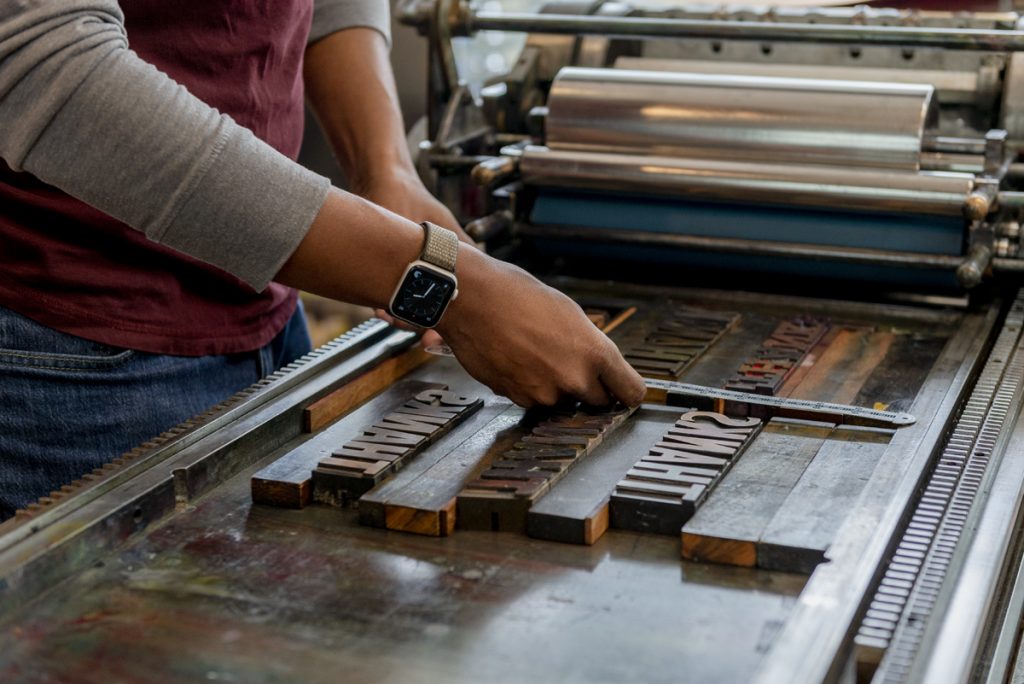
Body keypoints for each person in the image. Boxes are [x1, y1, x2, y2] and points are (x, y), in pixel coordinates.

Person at [0, 1, 645, 519]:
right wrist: (446, 282)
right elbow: (41, 58)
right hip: (69, 342)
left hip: (269, 311)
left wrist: (384, 169)